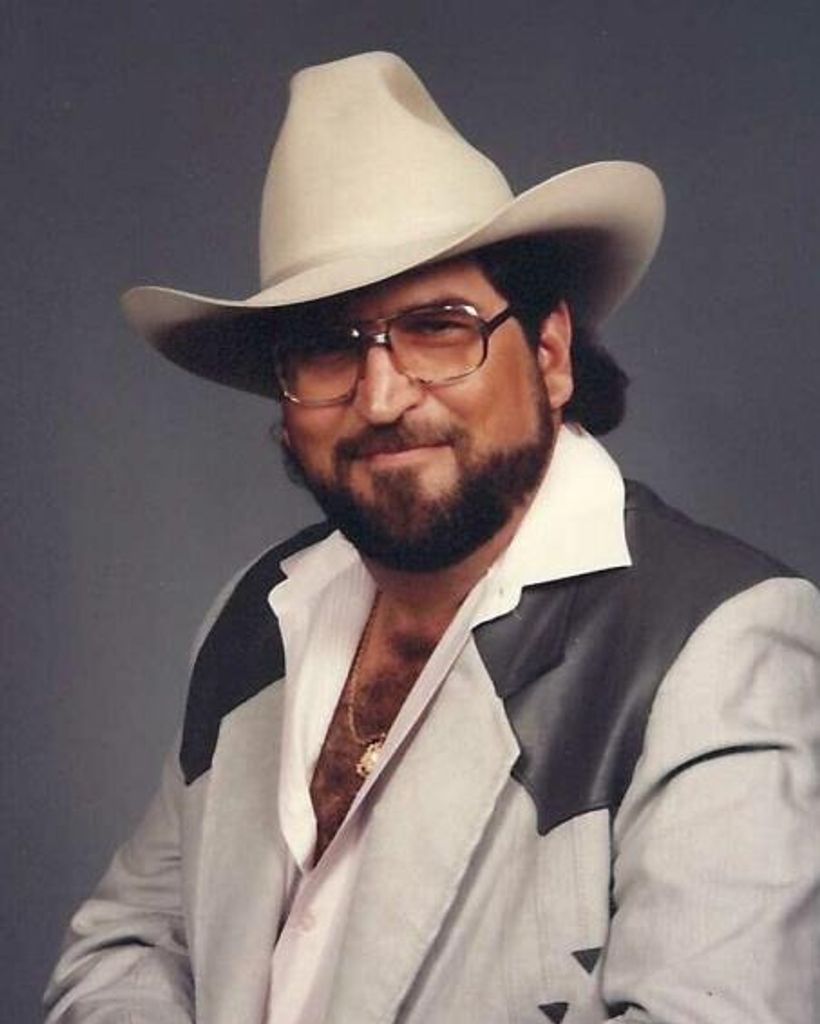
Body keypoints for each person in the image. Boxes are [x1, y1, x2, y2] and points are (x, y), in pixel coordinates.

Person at [44, 51, 820, 1024]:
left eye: (438, 328)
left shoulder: (719, 643)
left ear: (549, 355)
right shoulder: (255, 617)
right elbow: (129, 940)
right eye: (327, 346)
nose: (381, 397)